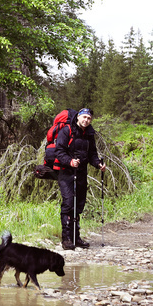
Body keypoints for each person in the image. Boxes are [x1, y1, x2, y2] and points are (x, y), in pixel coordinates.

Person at [54, 107, 105, 250]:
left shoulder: (89, 134)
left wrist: (98, 164)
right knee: (69, 203)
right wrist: (70, 161)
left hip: (81, 173)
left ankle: (76, 237)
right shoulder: (67, 131)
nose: (86, 120)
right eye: (84, 117)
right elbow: (59, 151)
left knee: (79, 204)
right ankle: (66, 239)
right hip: (66, 173)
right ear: (78, 118)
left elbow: (92, 154)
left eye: (89, 118)